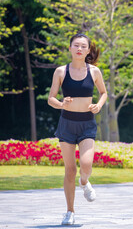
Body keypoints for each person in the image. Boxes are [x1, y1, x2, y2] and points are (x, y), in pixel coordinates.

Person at [48, 33, 107, 225]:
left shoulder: (95, 72)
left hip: (87, 123)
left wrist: (98, 105)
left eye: (83, 46)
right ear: (70, 48)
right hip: (67, 123)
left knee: (86, 164)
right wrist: (61, 104)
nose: (79, 49)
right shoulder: (60, 72)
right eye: (76, 45)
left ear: (88, 50)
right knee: (70, 169)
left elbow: (103, 93)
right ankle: (70, 212)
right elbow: (51, 99)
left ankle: (84, 182)